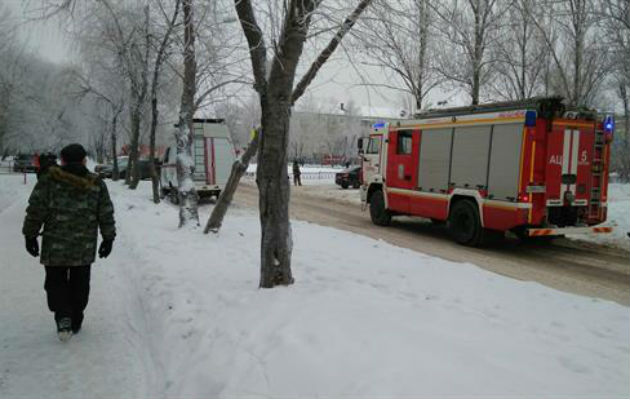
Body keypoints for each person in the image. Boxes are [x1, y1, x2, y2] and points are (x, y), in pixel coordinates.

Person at [22, 143, 116, 342]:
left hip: (55, 245)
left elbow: (36, 209)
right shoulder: (96, 183)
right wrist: (108, 238)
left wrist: (30, 235)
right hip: (83, 246)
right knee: (80, 283)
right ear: (84, 160)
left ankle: (63, 315)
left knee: (55, 282)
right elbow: (105, 212)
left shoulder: (49, 180)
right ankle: (76, 318)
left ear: (62, 160)